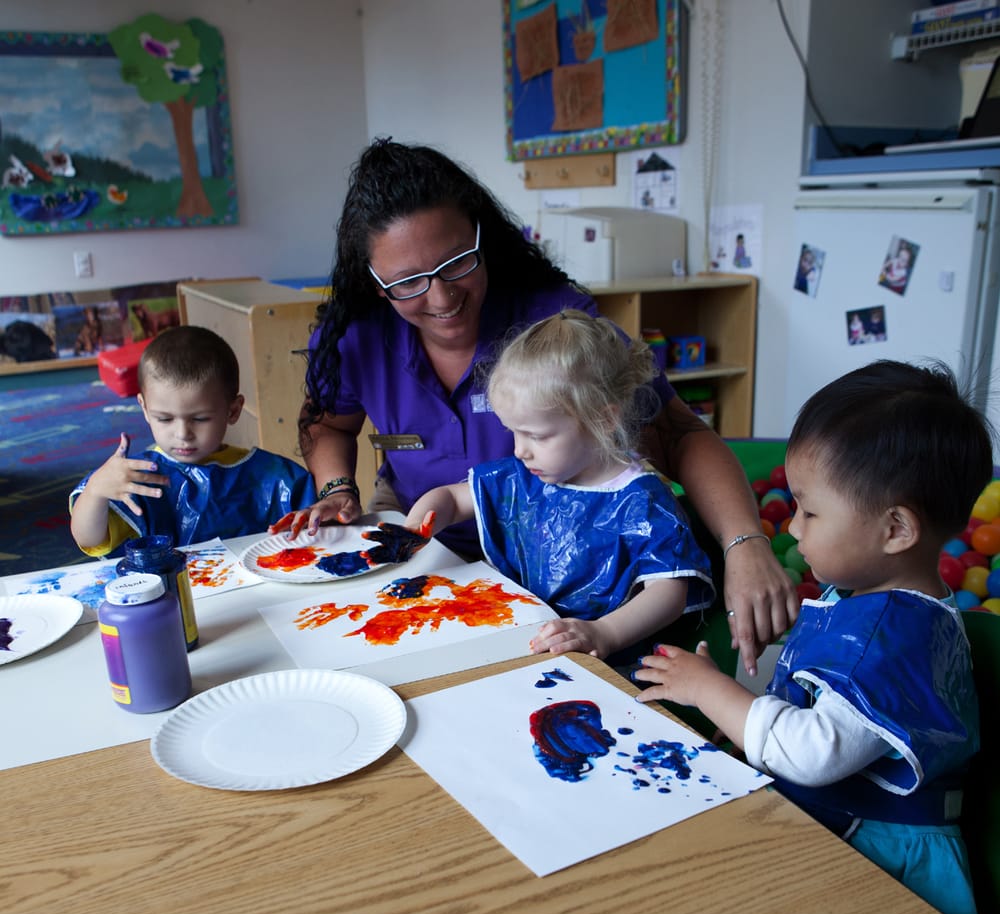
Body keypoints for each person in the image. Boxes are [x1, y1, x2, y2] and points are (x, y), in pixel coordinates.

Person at [272, 138, 796, 675]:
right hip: (421, 529)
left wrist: (744, 544)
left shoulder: (558, 327)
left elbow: (680, 435)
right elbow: (329, 425)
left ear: (483, 237)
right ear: (375, 284)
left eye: (456, 263)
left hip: (555, 558)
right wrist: (338, 490)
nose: (440, 297)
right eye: (407, 283)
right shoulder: (355, 336)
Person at [633, 360, 990, 914]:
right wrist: (741, 698)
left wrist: (714, 693)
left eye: (811, 510)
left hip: (883, 870)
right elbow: (811, 691)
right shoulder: (865, 595)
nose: (793, 529)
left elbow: (814, 752)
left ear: (895, 530)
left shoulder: (895, 633)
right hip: (833, 828)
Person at [405, 310, 715, 660]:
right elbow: (449, 497)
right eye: (514, 432)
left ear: (603, 418)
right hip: (520, 642)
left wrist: (605, 632)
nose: (520, 450)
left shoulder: (640, 500)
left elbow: (669, 593)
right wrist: (419, 525)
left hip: (602, 665)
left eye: (536, 436)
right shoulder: (524, 474)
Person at [70, 325, 316, 557]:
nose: (182, 433)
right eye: (164, 419)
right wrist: (95, 491)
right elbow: (89, 539)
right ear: (144, 409)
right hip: (172, 595)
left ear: (232, 411)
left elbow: (316, 532)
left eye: (199, 419)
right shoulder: (136, 476)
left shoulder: (271, 474)